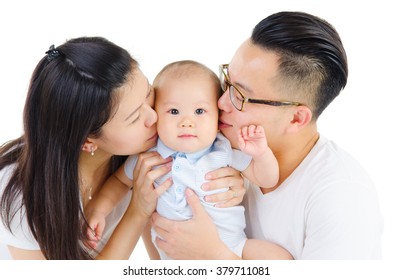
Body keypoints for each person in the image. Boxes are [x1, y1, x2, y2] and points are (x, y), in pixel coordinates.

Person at [151, 11, 384, 260]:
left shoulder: (342, 198)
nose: (221, 102)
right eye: (227, 82)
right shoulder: (214, 147)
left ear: (296, 118)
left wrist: (214, 256)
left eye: (240, 96)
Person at [0, 37, 243, 260]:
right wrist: (137, 210)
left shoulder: (144, 149)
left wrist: (232, 181)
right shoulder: (20, 202)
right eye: (135, 117)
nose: (153, 116)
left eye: (148, 92)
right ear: (88, 141)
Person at [86, 60, 292, 260]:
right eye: (174, 111)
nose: (186, 122)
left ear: (218, 118)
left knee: (279, 259)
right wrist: (98, 209)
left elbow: (267, 179)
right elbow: (120, 182)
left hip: (232, 246)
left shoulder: (223, 149)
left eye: (200, 111)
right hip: (174, 255)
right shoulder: (150, 157)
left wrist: (261, 154)